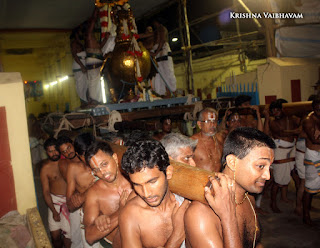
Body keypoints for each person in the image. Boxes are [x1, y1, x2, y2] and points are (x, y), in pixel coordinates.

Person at [184, 127, 276, 248]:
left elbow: (254, 243)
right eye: (260, 166)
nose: (267, 176)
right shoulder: (200, 213)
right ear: (232, 162)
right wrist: (228, 217)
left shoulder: (248, 199)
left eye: (269, 167)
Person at [118, 140, 190, 248]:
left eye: (152, 182)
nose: (146, 194)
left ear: (168, 172)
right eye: (137, 185)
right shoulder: (131, 215)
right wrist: (177, 236)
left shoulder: (188, 203)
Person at [84, 141, 132, 247]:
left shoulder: (134, 182)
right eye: (96, 170)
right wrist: (120, 212)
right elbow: (89, 237)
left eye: (104, 164)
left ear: (114, 158)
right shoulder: (94, 193)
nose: (103, 172)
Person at [66, 133, 98, 248]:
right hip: (86, 214)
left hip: (104, 215)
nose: (90, 159)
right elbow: (70, 205)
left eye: (92, 153)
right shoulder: (73, 169)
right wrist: (83, 195)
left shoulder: (103, 167)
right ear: (78, 155)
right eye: (85, 155)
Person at [268, 99, 300, 213]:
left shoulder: (291, 118)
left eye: (277, 110)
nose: (275, 112)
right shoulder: (272, 121)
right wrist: (295, 131)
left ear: (282, 109)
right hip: (280, 151)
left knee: (295, 175)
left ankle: (299, 203)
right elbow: (280, 133)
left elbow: (300, 126)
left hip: (292, 148)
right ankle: (273, 203)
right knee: (277, 180)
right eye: (273, 111)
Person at [40, 137, 71, 248]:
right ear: (46, 153)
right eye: (50, 151)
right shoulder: (45, 169)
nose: (54, 153)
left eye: (56, 150)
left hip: (68, 202)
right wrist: (53, 211)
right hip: (54, 203)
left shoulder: (68, 163)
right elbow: (46, 191)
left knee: (69, 237)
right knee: (55, 236)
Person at [57, 135, 83, 248]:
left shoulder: (84, 156)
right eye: (64, 152)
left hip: (88, 200)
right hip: (74, 201)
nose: (68, 152)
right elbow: (72, 184)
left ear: (73, 144)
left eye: (68, 147)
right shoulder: (64, 164)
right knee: (76, 236)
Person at [302, 97, 320, 225]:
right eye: (318, 109)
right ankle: (306, 215)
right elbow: (314, 140)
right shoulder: (308, 120)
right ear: (314, 108)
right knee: (310, 188)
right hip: (313, 155)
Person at [191, 108, 224, 172]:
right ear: (199, 124)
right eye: (208, 121)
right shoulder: (192, 142)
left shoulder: (219, 139)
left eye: (214, 121)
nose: (212, 125)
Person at [150, 19, 176, 96]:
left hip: (162, 52)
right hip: (158, 53)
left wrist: (156, 52)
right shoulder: (156, 32)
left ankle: (172, 93)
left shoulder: (162, 29)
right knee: (159, 75)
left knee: (168, 73)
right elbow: (147, 35)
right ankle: (162, 94)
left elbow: (162, 40)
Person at [85, 7, 104, 105]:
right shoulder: (88, 36)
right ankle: (94, 100)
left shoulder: (92, 39)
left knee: (96, 83)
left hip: (95, 61)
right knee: (94, 83)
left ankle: (96, 100)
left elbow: (100, 47)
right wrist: (96, 11)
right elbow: (92, 21)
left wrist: (107, 38)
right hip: (93, 63)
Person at [71, 26, 88, 108]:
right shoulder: (74, 43)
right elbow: (74, 55)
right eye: (79, 33)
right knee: (81, 85)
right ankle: (83, 103)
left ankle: (85, 102)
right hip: (79, 66)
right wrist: (82, 66)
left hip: (83, 65)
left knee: (86, 85)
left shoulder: (80, 42)